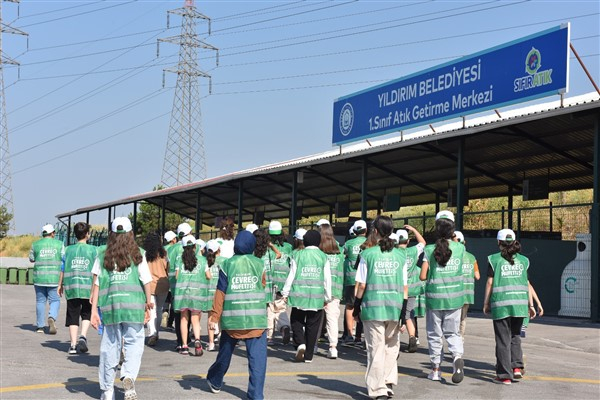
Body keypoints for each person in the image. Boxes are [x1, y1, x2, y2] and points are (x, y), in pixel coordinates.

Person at [90, 217, 153, 400]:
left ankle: (107, 391)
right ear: (131, 233)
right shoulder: (138, 253)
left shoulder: (103, 254)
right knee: (134, 345)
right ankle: (128, 375)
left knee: (110, 348)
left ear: (111, 234)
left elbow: (97, 284)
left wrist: (94, 311)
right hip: (134, 307)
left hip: (111, 308)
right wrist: (148, 304)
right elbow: (146, 281)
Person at [206, 231, 267, 399]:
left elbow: (220, 293)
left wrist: (214, 317)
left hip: (232, 320)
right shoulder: (260, 264)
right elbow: (263, 284)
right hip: (256, 321)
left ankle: (215, 379)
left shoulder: (226, 265)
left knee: (224, 355)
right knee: (257, 362)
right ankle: (255, 395)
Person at [354, 215, 408, 400]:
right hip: (394, 307)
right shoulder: (401, 255)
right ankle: (388, 382)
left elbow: (361, 285)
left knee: (375, 349)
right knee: (391, 347)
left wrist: (356, 307)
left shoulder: (367, 254)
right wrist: (403, 311)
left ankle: (378, 390)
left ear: (375, 232)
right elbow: (405, 287)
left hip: (372, 308)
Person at [483, 228, 536, 385]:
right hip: (520, 305)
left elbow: (490, 282)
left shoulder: (494, 259)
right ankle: (517, 368)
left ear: (498, 242)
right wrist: (530, 305)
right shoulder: (524, 261)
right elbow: (526, 283)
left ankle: (504, 375)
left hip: (501, 305)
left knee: (502, 340)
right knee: (515, 336)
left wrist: (486, 303)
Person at [420, 210, 465, 384]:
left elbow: (423, 276)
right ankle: (456, 357)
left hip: (434, 298)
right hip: (455, 299)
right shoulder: (460, 248)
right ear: (452, 229)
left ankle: (436, 370)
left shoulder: (429, 249)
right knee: (453, 333)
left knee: (434, 334)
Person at [282, 229, 332, 363]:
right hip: (316, 297)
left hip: (299, 295)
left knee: (296, 321)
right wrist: (328, 296)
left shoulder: (298, 255)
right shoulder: (323, 257)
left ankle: (300, 343)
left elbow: (291, 275)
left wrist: (285, 292)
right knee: (313, 325)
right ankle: (309, 355)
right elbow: (327, 278)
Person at [58, 222, 97, 354]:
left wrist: (59, 284)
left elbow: (62, 268)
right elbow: (97, 271)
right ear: (87, 234)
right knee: (86, 313)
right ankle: (83, 336)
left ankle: (73, 345)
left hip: (72, 287)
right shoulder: (94, 250)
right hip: (88, 288)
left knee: (72, 316)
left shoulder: (68, 250)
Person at [173, 235, 207, 356]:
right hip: (196, 293)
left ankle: (184, 346)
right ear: (195, 246)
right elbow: (208, 275)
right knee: (195, 318)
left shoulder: (179, 260)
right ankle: (197, 341)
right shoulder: (202, 260)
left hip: (182, 293)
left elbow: (176, 276)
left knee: (183, 318)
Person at [29, 224, 65, 334]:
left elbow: (31, 259)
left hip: (39, 278)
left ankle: (40, 326)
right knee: (54, 300)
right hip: (54, 278)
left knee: (40, 301)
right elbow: (64, 259)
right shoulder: (60, 244)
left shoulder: (35, 244)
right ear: (53, 233)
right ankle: (52, 317)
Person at [395, 225, 426, 353]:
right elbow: (423, 242)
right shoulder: (413, 251)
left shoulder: (394, 253)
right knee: (409, 314)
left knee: (397, 314)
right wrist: (413, 230)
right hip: (412, 289)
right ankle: (412, 338)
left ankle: (394, 342)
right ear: (408, 241)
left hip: (397, 289)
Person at [318, 222, 344, 359]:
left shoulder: (318, 252)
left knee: (316, 318)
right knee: (332, 319)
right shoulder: (339, 251)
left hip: (319, 290)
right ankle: (333, 347)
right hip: (336, 290)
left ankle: (313, 344)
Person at [265, 221, 292, 346]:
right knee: (281, 308)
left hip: (272, 280)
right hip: (284, 281)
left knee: (270, 308)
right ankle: (284, 326)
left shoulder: (267, 247)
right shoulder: (288, 247)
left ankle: (269, 336)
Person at [342, 220, 367, 344]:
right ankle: (360, 337)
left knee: (350, 306)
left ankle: (349, 335)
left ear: (355, 231)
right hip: (365, 280)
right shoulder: (370, 243)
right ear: (366, 230)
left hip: (351, 279)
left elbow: (343, 255)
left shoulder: (348, 243)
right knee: (364, 307)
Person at [143, 232, 169, 347]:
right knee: (159, 309)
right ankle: (156, 332)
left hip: (149, 284)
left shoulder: (145, 255)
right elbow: (168, 268)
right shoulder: (164, 254)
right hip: (163, 284)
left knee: (151, 310)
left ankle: (152, 333)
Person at [453, 230, 480, 341]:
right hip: (467, 293)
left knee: (453, 318)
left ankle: (454, 339)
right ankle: (461, 339)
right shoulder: (472, 257)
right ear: (465, 242)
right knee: (463, 318)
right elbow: (477, 276)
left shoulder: (453, 256)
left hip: (454, 293)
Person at [204, 239, 223, 351]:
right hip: (221, 292)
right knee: (222, 317)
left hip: (209, 293)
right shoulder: (225, 261)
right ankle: (222, 338)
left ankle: (211, 343)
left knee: (211, 317)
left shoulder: (205, 262)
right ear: (219, 249)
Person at [161, 230, 177, 329]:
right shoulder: (176, 249)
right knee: (174, 301)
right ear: (173, 239)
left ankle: (165, 311)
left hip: (164, 276)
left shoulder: (163, 250)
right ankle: (170, 322)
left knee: (166, 299)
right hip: (174, 278)